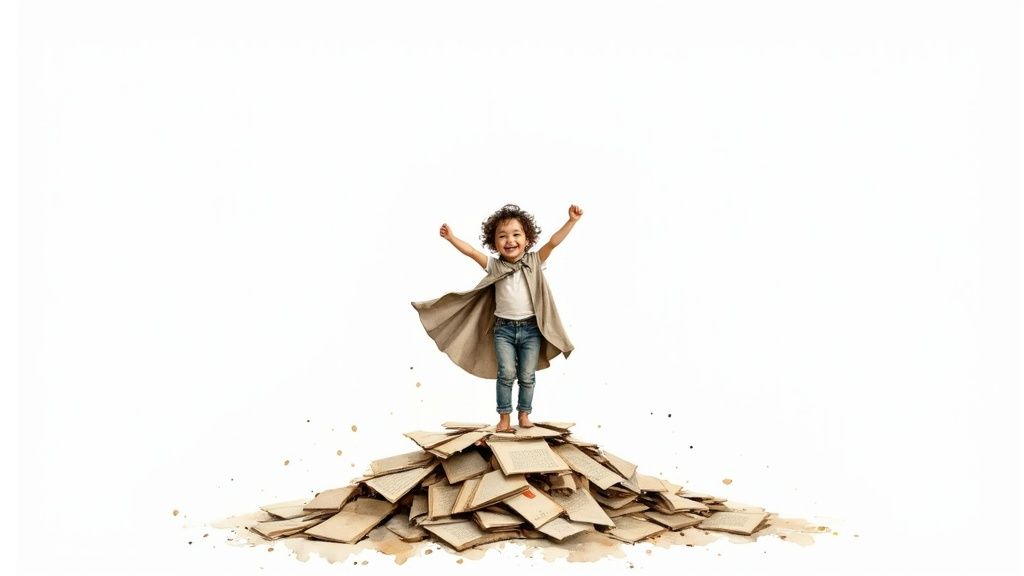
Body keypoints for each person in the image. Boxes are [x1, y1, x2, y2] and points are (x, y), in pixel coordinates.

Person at [411, 204, 583, 432]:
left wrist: (571, 221)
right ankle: (504, 419)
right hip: (503, 330)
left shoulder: (534, 261)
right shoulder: (495, 266)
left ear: (527, 238)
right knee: (506, 374)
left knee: (527, 375)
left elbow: (553, 242)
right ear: (494, 243)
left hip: (531, 330)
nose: (510, 240)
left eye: (516, 235)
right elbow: (472, 252)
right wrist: (452, 238)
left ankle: (524, 415)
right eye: (502, 236)